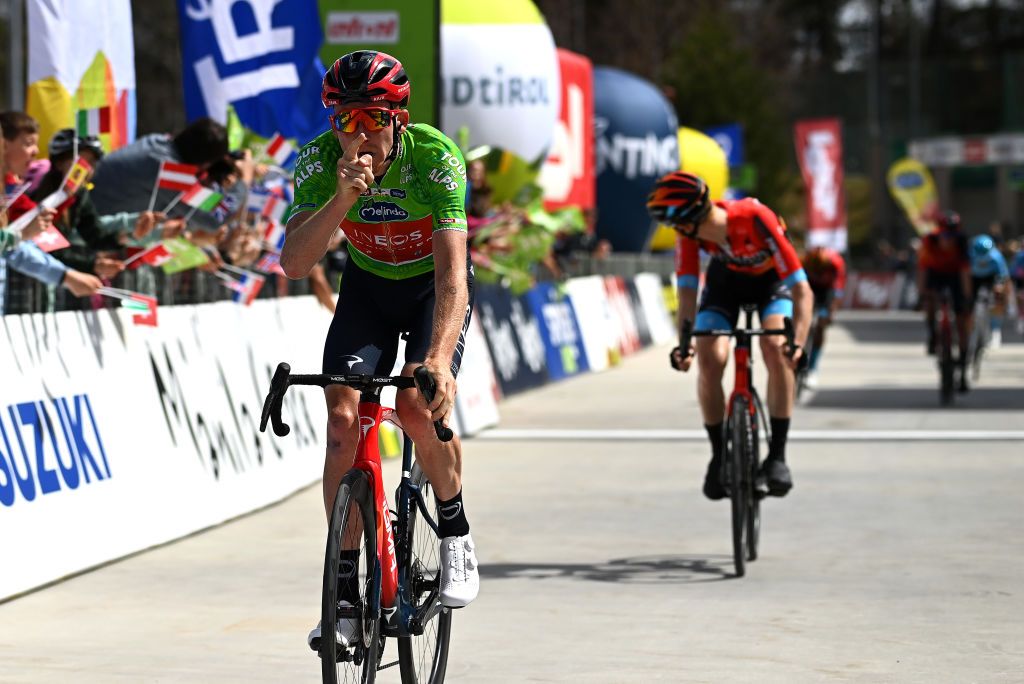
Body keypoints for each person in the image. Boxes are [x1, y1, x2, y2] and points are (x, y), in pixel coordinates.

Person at [279, 50, 478, 650]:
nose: (358, 133)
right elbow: (293, 264)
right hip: (367, 286)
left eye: (371, 118)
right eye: (345, 120)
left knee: (418, 407)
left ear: (397, 118)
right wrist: (340, 200)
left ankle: (455, 529)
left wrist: (438, 358)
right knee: (343, 423)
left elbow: (452, 278)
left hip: (427, 289)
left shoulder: (434, 158)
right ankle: (343, 595)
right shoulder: (317, 161)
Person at [647, 171, 811, 500]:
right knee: (711, 358)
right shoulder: (689, 236)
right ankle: (718, 455)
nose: (674, 231)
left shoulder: (754, 217)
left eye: (674, 224)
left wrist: (798, 345)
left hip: (771, 284)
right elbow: (689, 292)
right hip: (725, 286)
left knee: (775, 347)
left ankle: (777, 456)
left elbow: (801, 289)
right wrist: (685, 344)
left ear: (688, 218)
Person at [1, 111, 102, 315]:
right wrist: (21, 235)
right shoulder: (16, 186)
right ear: (4, 144)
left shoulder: (10, 188)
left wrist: (67, 276)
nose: (35, 151)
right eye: (27, 143)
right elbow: (18, 240)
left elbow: (27, 238)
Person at [916, 210, 972, 392]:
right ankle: (933, 333)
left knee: (962, 319)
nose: (949, 240)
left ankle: (963, 368)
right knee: (931, 302)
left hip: (955, 275)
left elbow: (965, 273)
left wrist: (967, 298)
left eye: (953, 235)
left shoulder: (962, 242)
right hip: (936, 274)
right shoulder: (930, 241)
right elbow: (923, 269)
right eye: (945, 235)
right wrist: (922, 294)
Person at [800, 245, 847, 388]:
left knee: (820, 327)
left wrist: (831, 312)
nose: (819, 274)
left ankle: (813, 368)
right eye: (816, 271)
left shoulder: (836, 264)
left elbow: (838, 291)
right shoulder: (804, 261)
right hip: (809, 286)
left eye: (821, 271)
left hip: (827, 291)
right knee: (802, 320)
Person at [968, 234, 1009, 349]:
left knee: (997, 298)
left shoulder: (996, 257)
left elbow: (1003, 275)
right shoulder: (970, 255)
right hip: (975, 278)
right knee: (968, 299)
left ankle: (995, 330)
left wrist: (999, 288)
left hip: (991, 278)